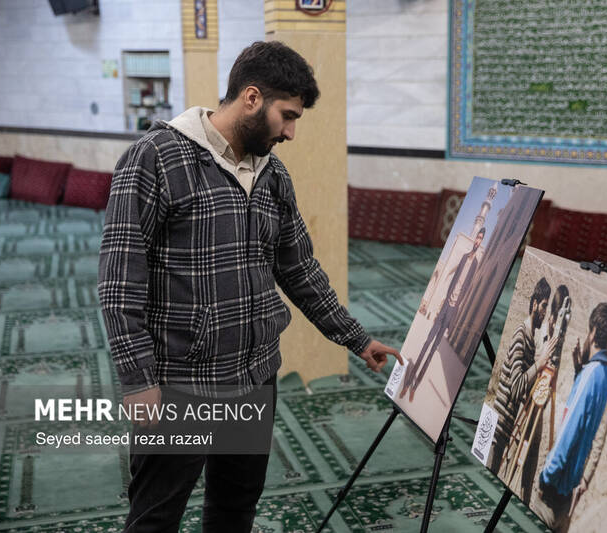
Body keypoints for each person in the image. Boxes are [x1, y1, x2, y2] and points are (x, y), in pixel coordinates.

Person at [98, 41, 401, 533]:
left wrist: (356, 338)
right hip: (181, 383)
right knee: (155, 518)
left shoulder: (273, 175)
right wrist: (138, 379)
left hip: (255, 377)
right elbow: (119, 284)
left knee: (235, 509)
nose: (292, 132)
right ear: (252, 98)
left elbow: (299, 270)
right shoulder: (155, 159)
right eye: (288, 116)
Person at [538, 302, 607, 528]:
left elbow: (569, 433)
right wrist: (578, 371)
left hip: (554, 489)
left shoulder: (591, 375)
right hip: (569, 488)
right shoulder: (605, 375)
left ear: (592, 333)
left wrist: (546, 476)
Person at [500, 285, 571, 499]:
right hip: (525, 406)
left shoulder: (556, 338)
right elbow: (527, 373)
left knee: (531, 460)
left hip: (539, 407)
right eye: (556, 318)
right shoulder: (537, 334)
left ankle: (524, 497)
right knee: (516, 455)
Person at [398, 227, 485, 402]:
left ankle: (415, 386)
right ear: (474, 238)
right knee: (427, 343)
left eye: (481, 239)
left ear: (481, 242)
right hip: (445, 307)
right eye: (477, 237)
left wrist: (456, 307)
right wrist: (445, 300)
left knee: (432, 352)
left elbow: (466, 288)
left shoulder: (476, 264)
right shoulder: (463, 257)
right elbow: (453, 280)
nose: (477, 241)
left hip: (452, 311)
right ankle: (407, 383)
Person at [488, 277, 551, 473]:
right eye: (544, 306)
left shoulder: (530, 339)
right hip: (496, 432)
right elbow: (516, 388)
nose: (544, 312)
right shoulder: (521, 336)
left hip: (502, 432)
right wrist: (539, 364)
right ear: (534, 303)